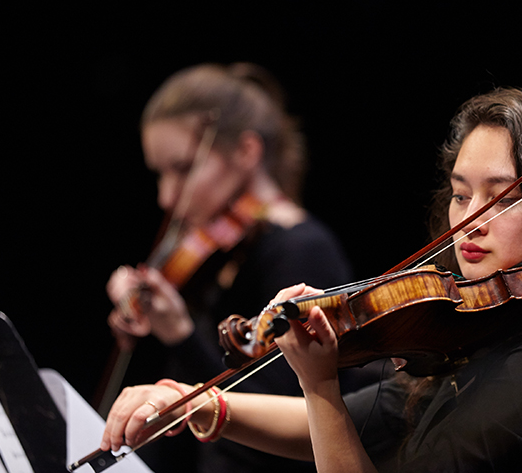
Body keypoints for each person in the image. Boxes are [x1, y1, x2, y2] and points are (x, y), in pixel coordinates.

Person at [100, 88, 522, 472]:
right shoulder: (479, 334)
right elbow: (362, 418)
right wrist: (202, 407)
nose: (469, 218)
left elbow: (333, 417)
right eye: (460, 194)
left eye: (501, 197)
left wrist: (321, 385)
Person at [103, 63, 357, 473]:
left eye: (183, 169)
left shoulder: (301, 250)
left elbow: (278, 419)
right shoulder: (225, 249)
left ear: (246, 152)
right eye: (160, 173)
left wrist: (181, 334)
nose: (167, 197)